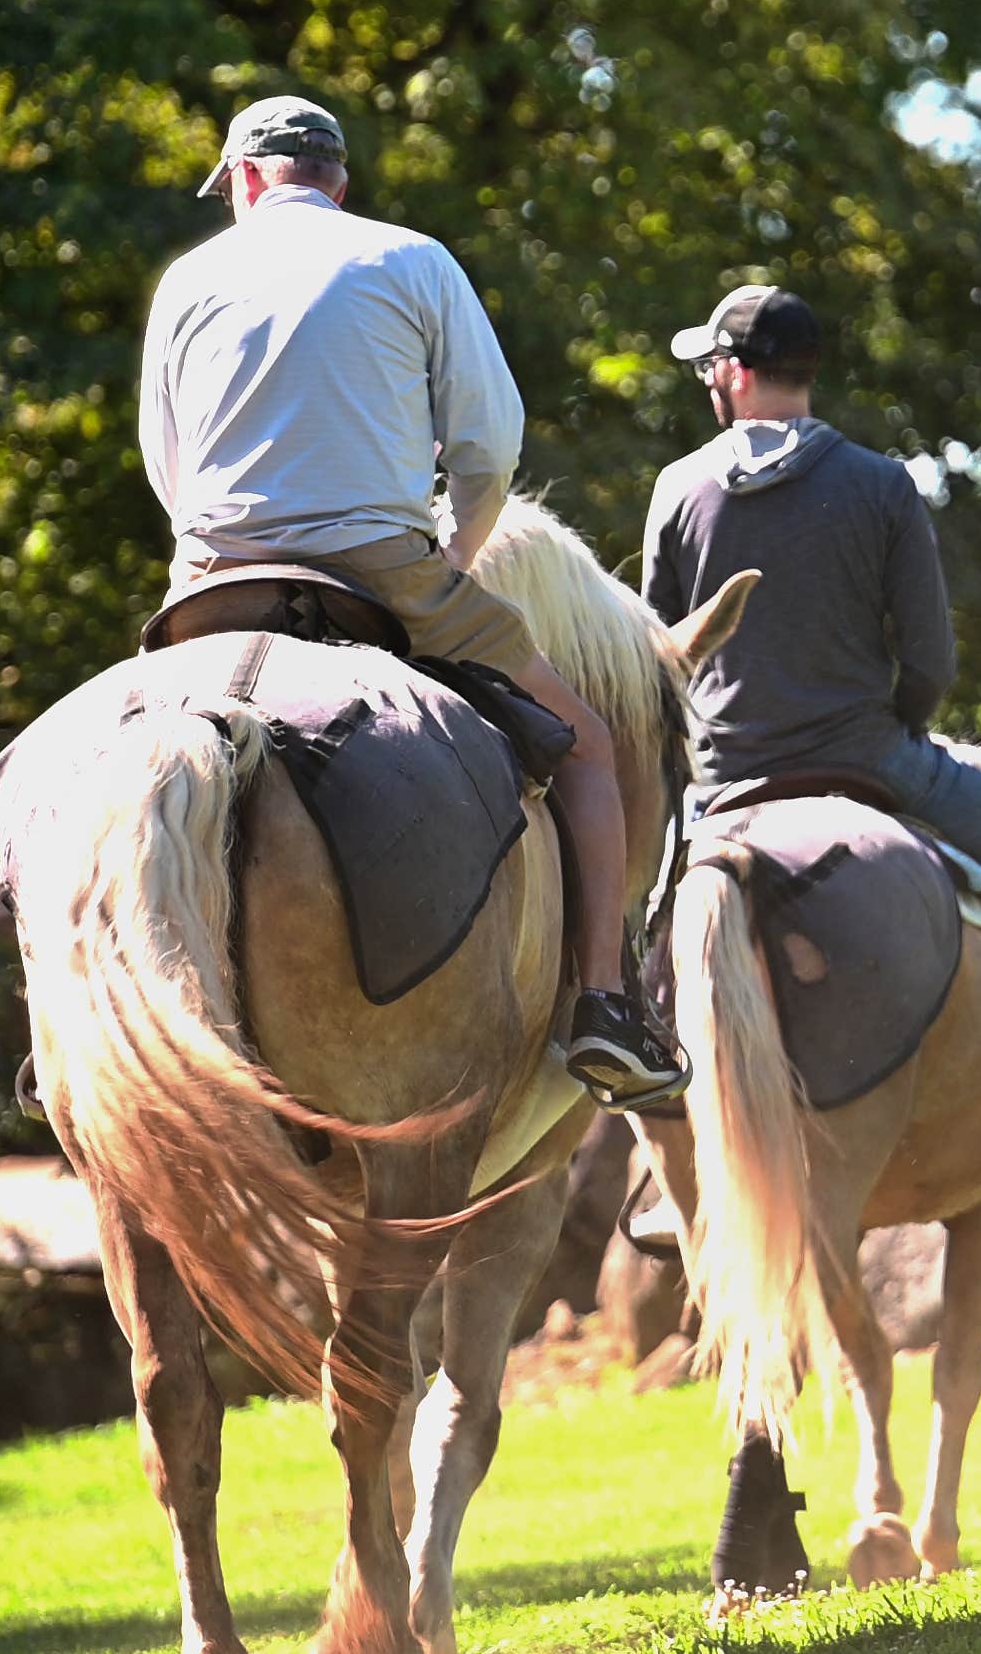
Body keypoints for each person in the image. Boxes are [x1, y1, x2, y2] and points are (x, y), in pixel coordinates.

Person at [141, 95, 684, 1112]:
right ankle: (609, 1004)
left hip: (212, 580)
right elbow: (490, 447)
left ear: (246, 179)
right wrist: (456, 556)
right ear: (336, 180)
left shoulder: (184, 283)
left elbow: (166, 465)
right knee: (590, 744)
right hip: (381, 571)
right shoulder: (413, 259)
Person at [642, 286, 981, 1175]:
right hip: (867, 758)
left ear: (732, 374)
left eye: (707, 370)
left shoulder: (677, 489)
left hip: (722, 779)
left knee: (623, 926)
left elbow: (656, 664)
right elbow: (928, 662)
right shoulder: (881, 485)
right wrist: (904, 730)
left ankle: (658, 1131)